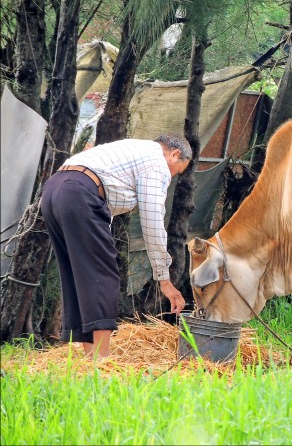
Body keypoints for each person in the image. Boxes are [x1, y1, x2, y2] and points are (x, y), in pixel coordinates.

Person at [41, 134, 191, 359]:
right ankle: (102, 359)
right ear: (174, 154)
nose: (171, 177)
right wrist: (164, 279)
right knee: (104, 274)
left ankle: (90, 357)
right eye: (177, 170)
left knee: (78, 275)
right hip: (79, 192)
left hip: (55, 190)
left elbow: (105, 206)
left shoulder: (134, 149)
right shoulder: (156, 162)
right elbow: (152, 221)